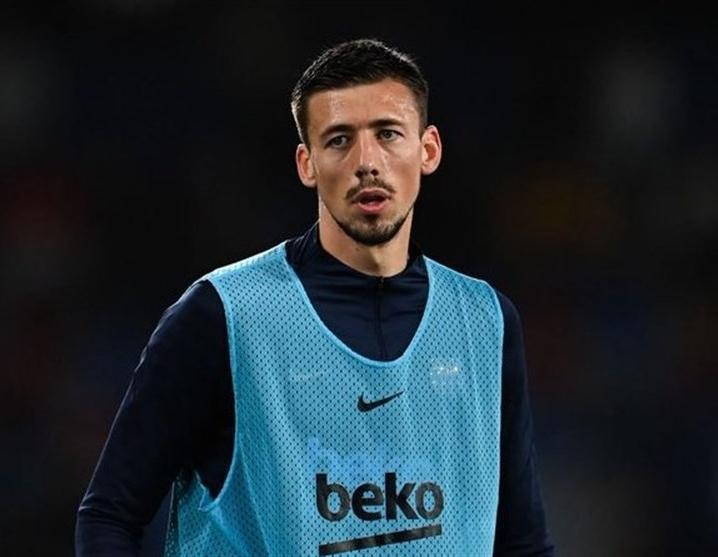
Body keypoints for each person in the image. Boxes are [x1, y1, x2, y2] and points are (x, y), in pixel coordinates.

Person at [76, 38, 554, 556]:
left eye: (388, 134)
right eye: (340, 140)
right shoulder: (222, 316)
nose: (367, 162)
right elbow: (109, 515)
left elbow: (523, 542)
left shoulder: (485, 321)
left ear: (428, 150)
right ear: (307, 163)